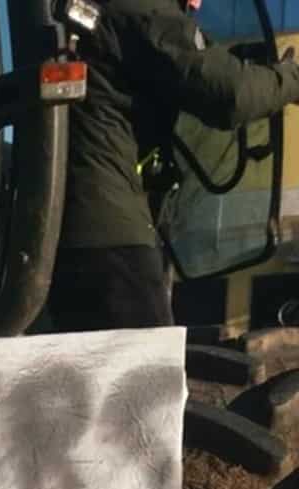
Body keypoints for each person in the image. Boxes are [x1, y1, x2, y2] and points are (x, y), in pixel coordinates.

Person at [49, 0, 299, 331]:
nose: (196, 3)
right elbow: (231, 94)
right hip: (109, 236)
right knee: (146, 373)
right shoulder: (143, 9)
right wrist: (291, 78)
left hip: (62, 230)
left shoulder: (101, 16)